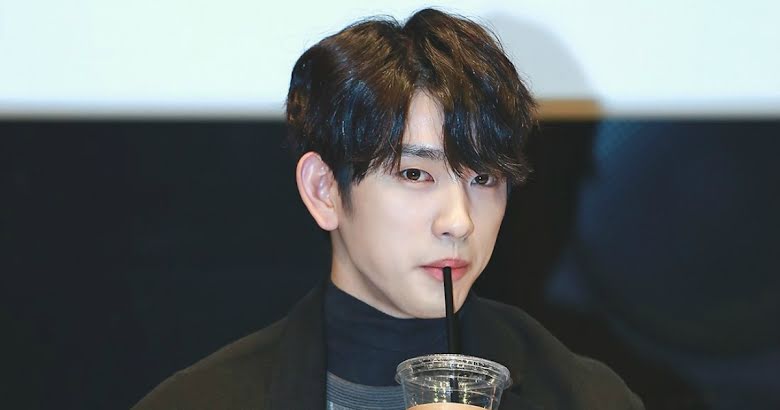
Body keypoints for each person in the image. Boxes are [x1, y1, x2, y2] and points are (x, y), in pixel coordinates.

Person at [134, 8, 643, 409]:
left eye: (483, 178)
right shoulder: (202, 400)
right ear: (324, 190)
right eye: (415, 174)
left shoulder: (586, 397)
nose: (459, 221)